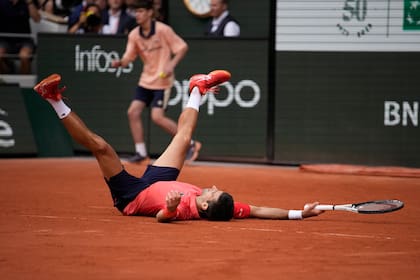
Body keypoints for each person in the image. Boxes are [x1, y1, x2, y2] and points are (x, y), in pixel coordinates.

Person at [33, 70, 324, 223]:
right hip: (158, 182)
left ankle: (52, 98)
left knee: (101, 147)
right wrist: (300, 213)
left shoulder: (186, 208)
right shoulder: (223, 207)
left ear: (206, 204)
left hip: (132, 197)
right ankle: (198, 88)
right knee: (183, 139)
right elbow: (259, 210)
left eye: (212, 191)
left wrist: (170, 208)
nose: (210, 186)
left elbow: (163, 217)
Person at [111, 0, 201, 163]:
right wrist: (120, 62)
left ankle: (191, 143)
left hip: (162, 81)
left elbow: (182, 47)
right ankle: (141, 152)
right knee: (133, 112)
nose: (137, 15)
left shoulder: (163, 30)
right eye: (135, 12)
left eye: (140, 11)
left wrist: (171, 65)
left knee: (157, 117)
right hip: (145, 80)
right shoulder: (134, 35)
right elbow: (128, 57)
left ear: (149, 13)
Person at [0, 0, 41, 74]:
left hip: (24, 40)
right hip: (4, 40)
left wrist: (30, 3)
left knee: (24, 56)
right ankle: (7, 77)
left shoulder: (28, 3)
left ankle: (24, 83)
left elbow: (37, 19)